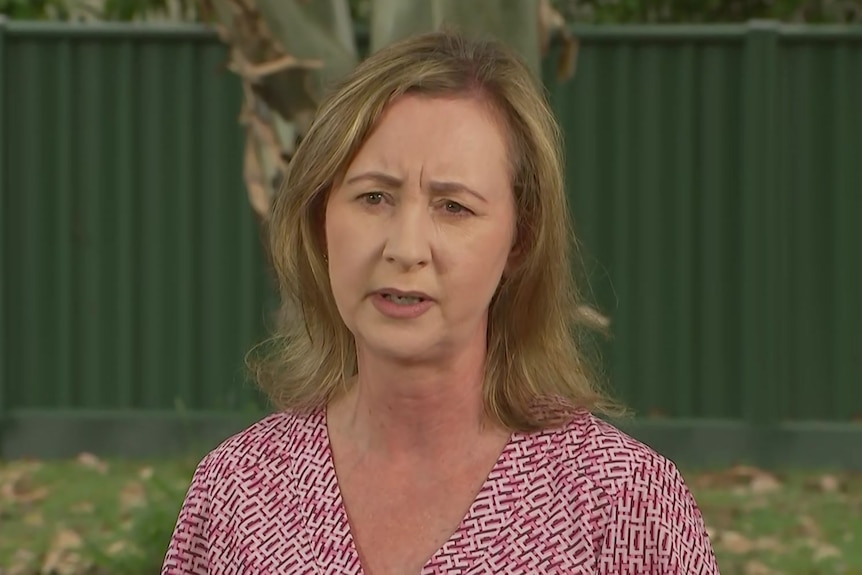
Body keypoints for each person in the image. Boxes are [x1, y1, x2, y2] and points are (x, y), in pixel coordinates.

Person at [161, 29, 720, 575]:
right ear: (319, 216)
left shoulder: (621, 503)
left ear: (520, 240)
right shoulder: (238, 490)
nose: (405, 249)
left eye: (453, 207)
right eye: (373, 197)